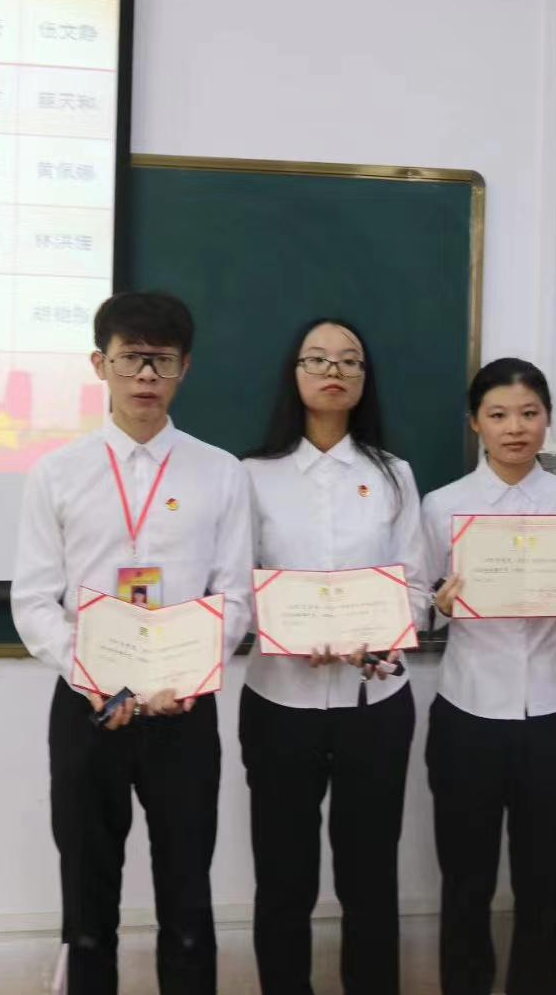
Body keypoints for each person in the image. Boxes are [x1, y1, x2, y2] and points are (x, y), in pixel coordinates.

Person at [11, 290, 253, 994]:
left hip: (185, 707)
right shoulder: (57, 473)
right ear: (100, 364)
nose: (146, 375)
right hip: (90, 708)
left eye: (162, 360)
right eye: (131, 359)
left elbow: (235, 595)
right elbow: (34, 600)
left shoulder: (220, 471)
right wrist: (93, 678)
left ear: (185, 368)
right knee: (88, 895)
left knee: (187, 892)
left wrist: (191, 673)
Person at [239, 318, 429, 995]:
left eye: (350, 361)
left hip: (373, 705)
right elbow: (236, 584)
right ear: (294, 374)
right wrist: (287, 630)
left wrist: (378, 639)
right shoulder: (252, 476)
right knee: (283, 879)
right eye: (317, 359)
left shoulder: (393, 475)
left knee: (369, 878)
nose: (334, 371)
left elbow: (414, 588)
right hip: (279, 702)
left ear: (364, 379)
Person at [420, 358, 556, 995]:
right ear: (476, 423)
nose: (515, 428)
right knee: (465, 882)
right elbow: (418, 598)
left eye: (529, 413)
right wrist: (440, 605)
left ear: (548, 420)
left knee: (543, 882)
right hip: (467, 712)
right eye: (498, 415)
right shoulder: (443, 505)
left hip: (553, 712)